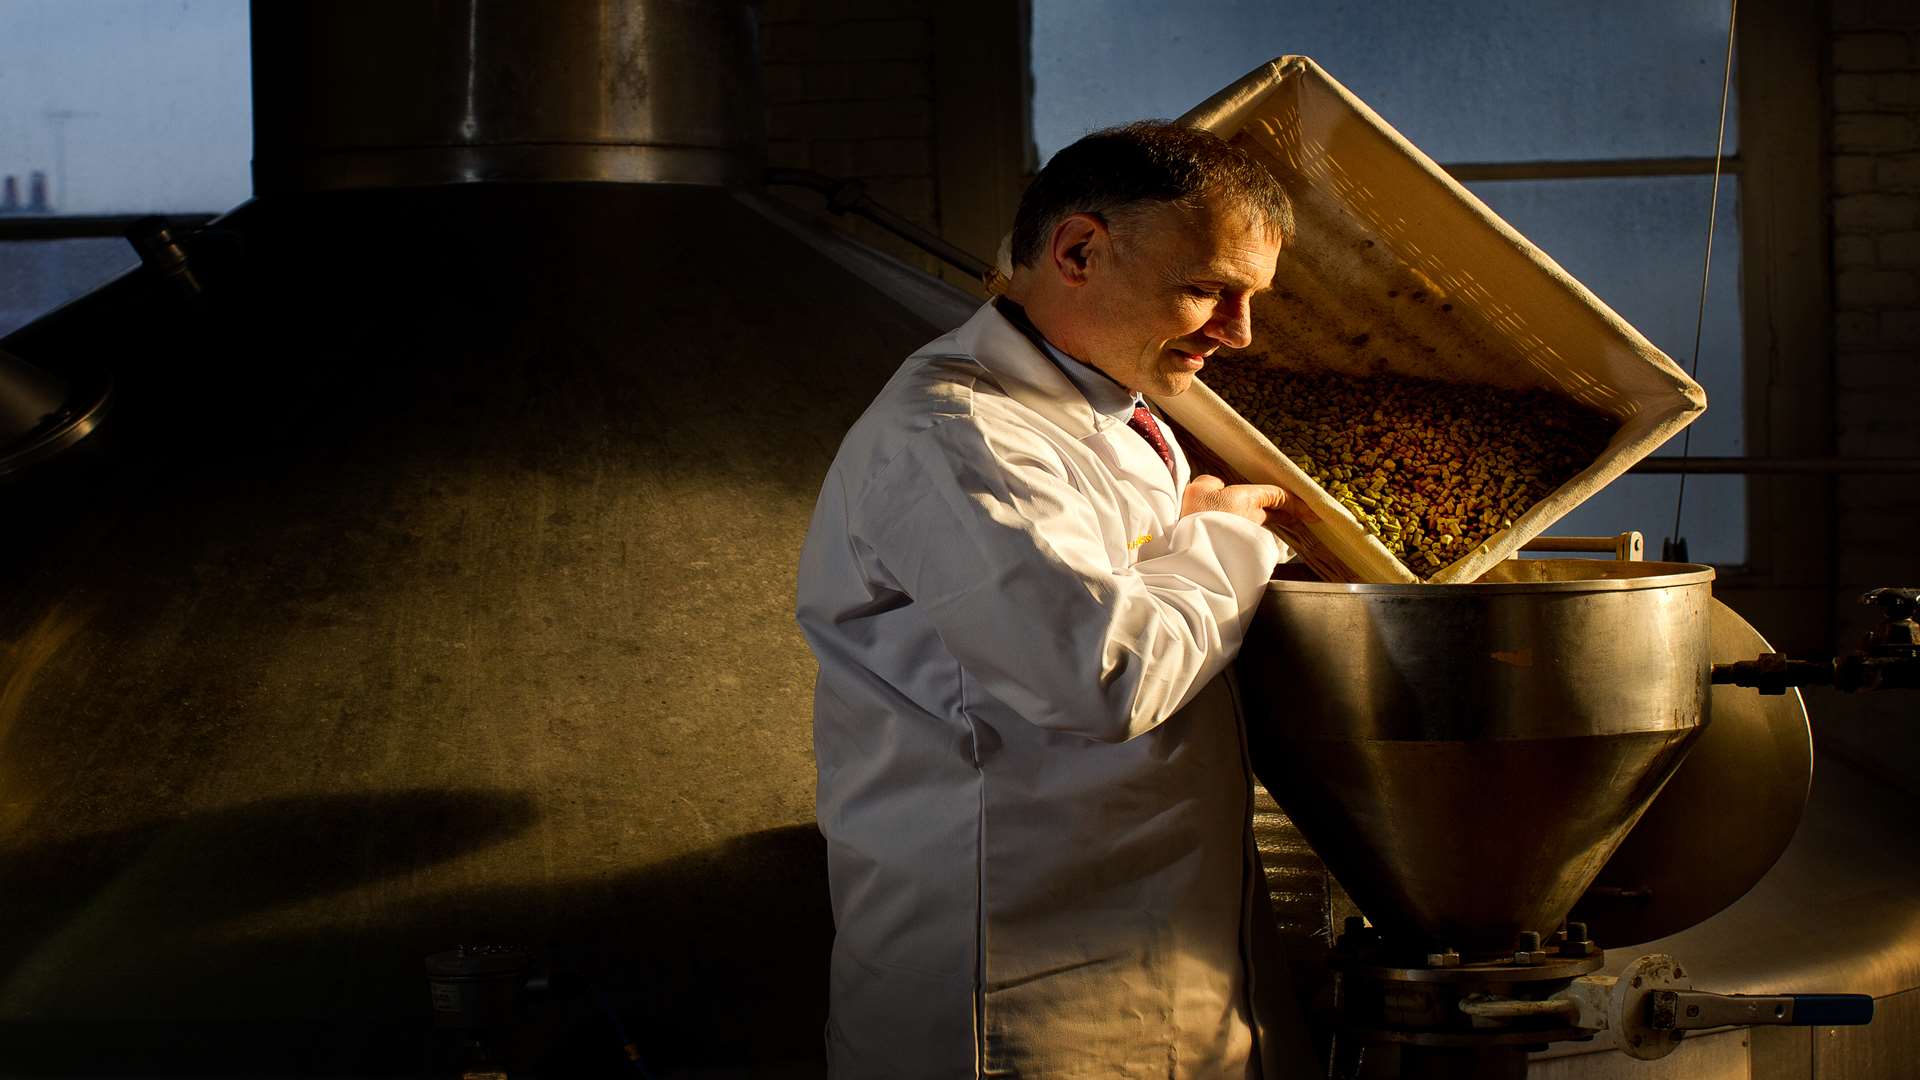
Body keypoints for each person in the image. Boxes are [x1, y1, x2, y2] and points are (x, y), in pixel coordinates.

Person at [796, 120, 1309, 1078]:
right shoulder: (957, 432)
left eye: (1251, 297)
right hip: (1014, 991)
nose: (1241, 332)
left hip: (1144, 948)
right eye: (1209, 289)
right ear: (1078, 250)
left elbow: (1111, 588)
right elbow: (1100, 676)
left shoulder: (1111, 409)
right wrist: (1227, 537)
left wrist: (1186, 530)